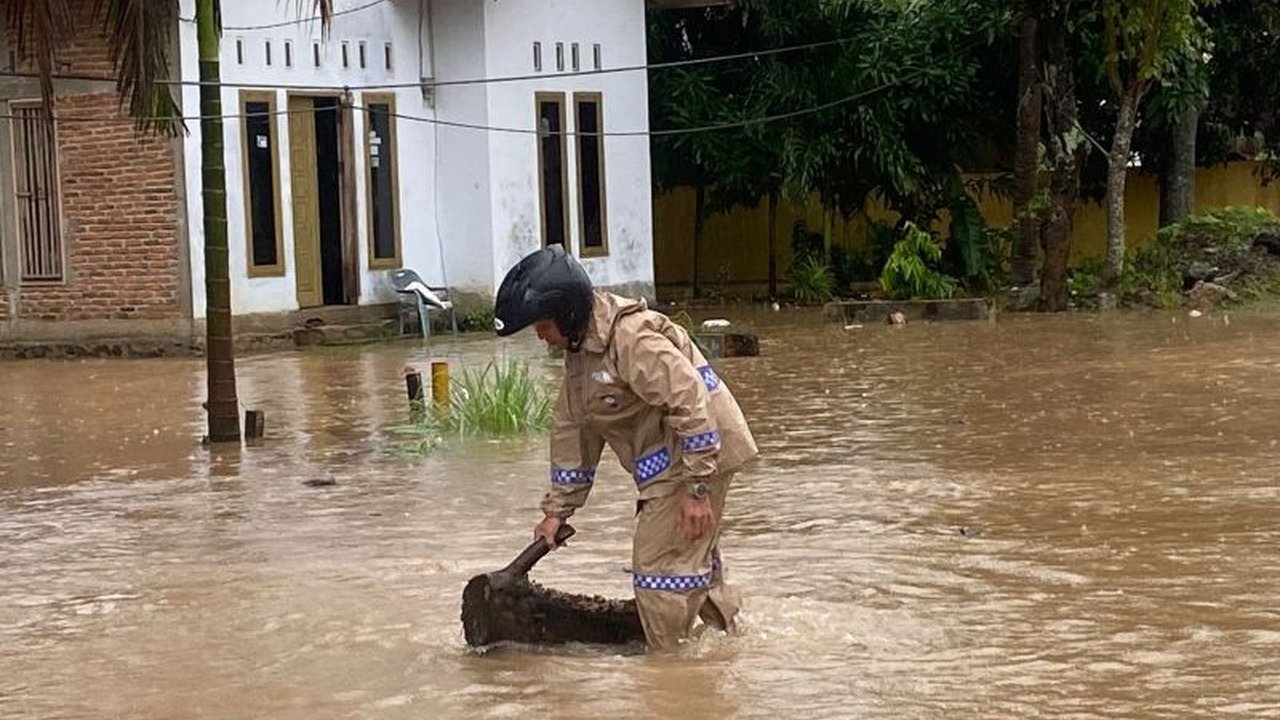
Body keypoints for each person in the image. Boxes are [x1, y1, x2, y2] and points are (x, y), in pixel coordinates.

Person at [493, 245, 759, 650]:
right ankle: (728, 651)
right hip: (678, 463)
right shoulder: (582, 353)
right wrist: (555, 512)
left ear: (566, 313)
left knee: (660, 571)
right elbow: (573, 432)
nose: (541, 337)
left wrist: (697, 488)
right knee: (690, 565)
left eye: (543, 326)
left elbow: (690, 400)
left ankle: (670, 673)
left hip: (695, 457)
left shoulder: (632, 340)